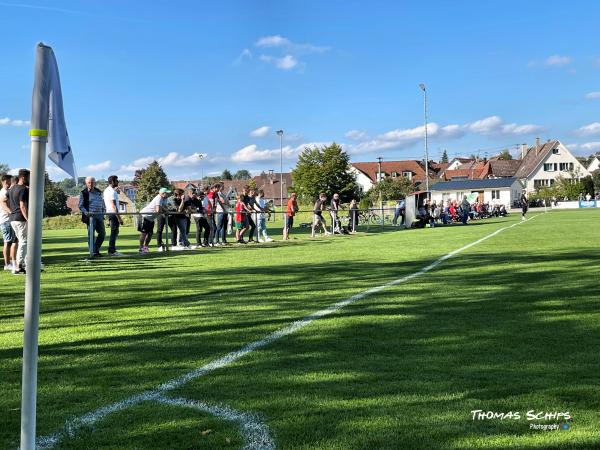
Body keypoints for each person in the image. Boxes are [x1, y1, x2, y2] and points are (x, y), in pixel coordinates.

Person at [8, 169, 29, 274]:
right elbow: (22, 206)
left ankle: (25, 264)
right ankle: (18, 266)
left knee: (22, 241)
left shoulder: (12, 189)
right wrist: (28, 219)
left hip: (12, 218)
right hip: (20, 219)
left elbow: (5, 200)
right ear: (23, 177)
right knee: (24, 241)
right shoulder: (23, 189)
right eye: (28, 177)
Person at [79, 176, 106, 257]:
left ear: (95, 183)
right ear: (86, 183)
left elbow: (102, 203)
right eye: (89, 183)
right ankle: (93, 252)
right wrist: (86, 212)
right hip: (90, 217)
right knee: (91, 235)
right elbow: (80, 206)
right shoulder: (84, 193)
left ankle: (95, 249)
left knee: (102, 234)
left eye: (92, 182)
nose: (90, 184)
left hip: (100, 216)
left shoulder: (99, 192)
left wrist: (103, 211)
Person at [138, 187, 170, 253]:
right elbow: (158, 210)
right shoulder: (158, 198)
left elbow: (165, 208)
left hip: (151, 219)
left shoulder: (164, 199)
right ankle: (141, 248)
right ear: (163, 193)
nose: (168, 195)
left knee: (150, 234)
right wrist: (164, 210)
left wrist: (164, 209)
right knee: (144, 233)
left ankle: (145, 247)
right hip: (144, 216)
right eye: (167, 193)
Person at [103, 175, 124, 256]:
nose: (118, 182)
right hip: (113, 213)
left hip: (111, 213)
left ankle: (112, 249)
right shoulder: (111, 192)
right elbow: (114, 206)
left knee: (115, 231)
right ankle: (111, 250)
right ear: (112, 182)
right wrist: (119, 218)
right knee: (114, 232)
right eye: (116, 181)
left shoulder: (108, 190)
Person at [1, 173, 17, 271]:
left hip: (9, 219)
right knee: (8, 242)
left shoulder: (7, 191)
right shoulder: (3, 192)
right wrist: (12, 212)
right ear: (6, 181)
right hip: (6, 220)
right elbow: (3, 204)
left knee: (12, 241)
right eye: (9, 181)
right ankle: (7, 264)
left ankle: (11, 262)